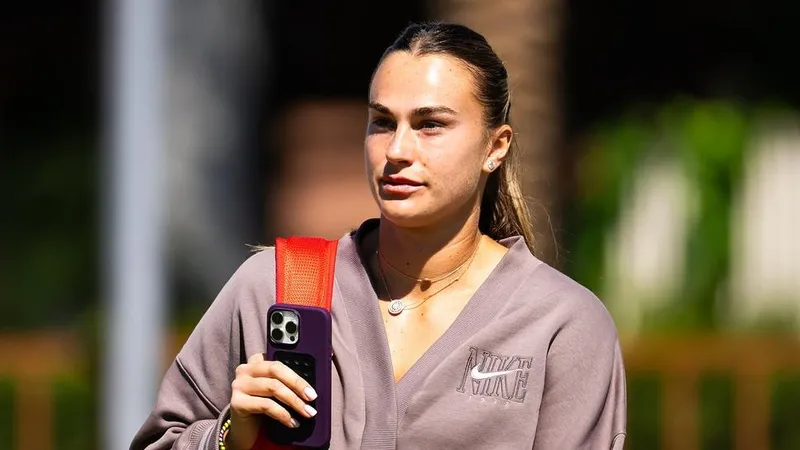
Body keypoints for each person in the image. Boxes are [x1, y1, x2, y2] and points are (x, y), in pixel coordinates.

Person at [131, 22, 627, 450]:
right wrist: (230, 436)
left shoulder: (561, 325)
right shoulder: (277, 287)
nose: (397, 150)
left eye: (431, 124)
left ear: (495, 147)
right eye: (383, 123)